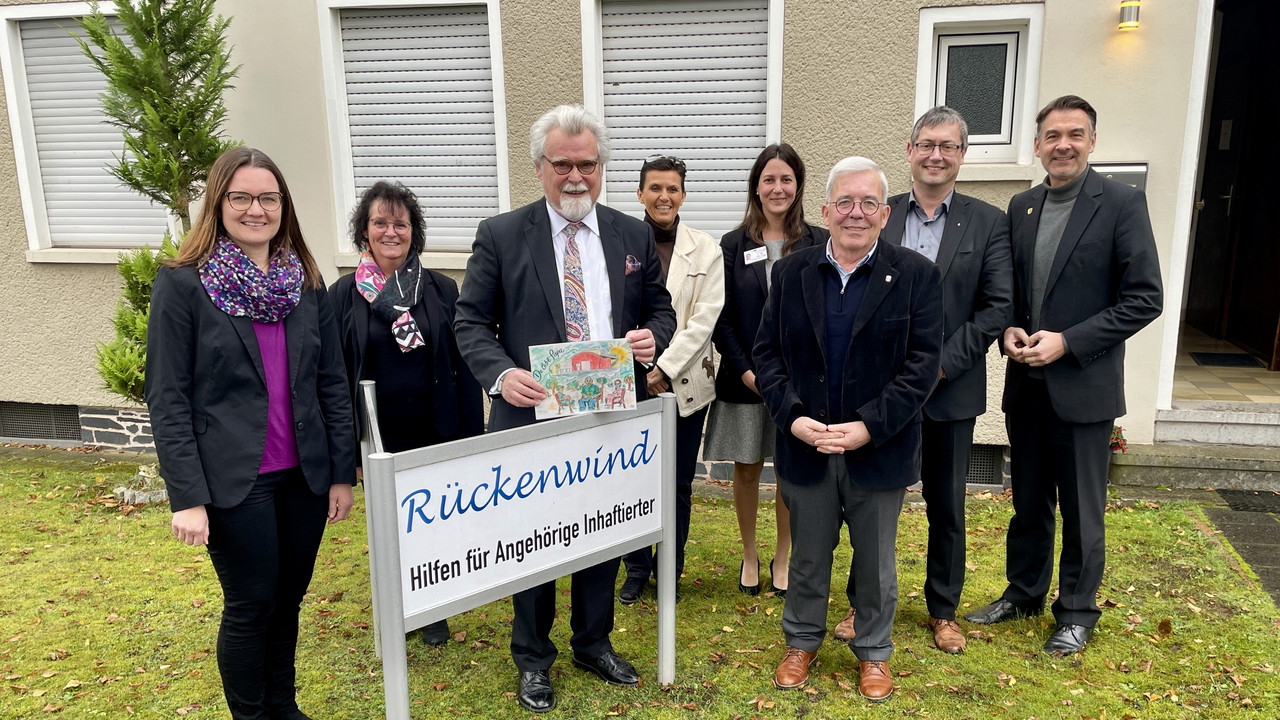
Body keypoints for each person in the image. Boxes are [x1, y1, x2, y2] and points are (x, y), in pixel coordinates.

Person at [453, 104, 676, 714]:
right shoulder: (501, 234)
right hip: (529, 417)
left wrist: (650, 337)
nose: (575, 176)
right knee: (532, 542)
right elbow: (470, 321)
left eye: (587, 164)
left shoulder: (631, 234)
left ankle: (592, 641)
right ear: (540, 168)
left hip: (608, 415)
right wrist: (500, 375)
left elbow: (661, 310)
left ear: (601, 168)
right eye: (562, 165)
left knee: (602, 533)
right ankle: (532, 657)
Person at [145, 147, 356, 720]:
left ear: (283, 205)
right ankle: (251, 714)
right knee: (250, 603)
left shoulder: (305, 282)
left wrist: (342, 474)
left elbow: (331, 382)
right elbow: (167, 399)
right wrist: (186, 496)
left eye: (268, 197)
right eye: (241, 197)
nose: (256, 209)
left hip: (304, 477)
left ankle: (283, 707)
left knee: (287, 601)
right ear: (218, 203)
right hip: (234, 482)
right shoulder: (183, 285)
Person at [964, 95, 1163, 655]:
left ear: (1092, 141)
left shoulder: (1121, 204)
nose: (1063, 145)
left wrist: (1068, 342)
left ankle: (1076, 611)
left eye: (1075, 134)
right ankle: (1024, 591)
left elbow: (1144, 299)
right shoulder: (1022, 206)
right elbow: (1007, 289)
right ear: (1037, 145)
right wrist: (1006, 329)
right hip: (1027, 384)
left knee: (1080, 509)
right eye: (1052, 136)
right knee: (1028, 502)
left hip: (1084, 387)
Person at [754, 156, 942, 702]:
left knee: (876, 560)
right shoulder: (791, 273)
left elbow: (922, 366)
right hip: (806, 445)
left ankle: (874, 652)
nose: (855, 213)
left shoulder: (917, 277)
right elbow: (767, 356)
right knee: (808, 554)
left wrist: (868, 426)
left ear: (885, 214)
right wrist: (793, 418)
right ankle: (802, 642)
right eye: (845, 202)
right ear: (825, 210)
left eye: (867, 204)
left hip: (877, 448)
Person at [832, 107, 1013, 653]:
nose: (937, 155)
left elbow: (995, 307)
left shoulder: (987, 222)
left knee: (945, 503)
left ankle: (943, 608)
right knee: (869, 499)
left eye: (949, 146)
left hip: (949, 391)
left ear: (963, 155)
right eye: (927, 144)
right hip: (878, 393)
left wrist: (936, 365)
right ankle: (862, 602)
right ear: (910, 150)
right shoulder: (880, 213)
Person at [328, 181, 484, 647]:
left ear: (413, 232)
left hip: (435, 425)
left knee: (433, 521)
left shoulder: (440, 289)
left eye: (401, 223)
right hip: (377, 434)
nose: (390, 231)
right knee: (389, 526)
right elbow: (334, 377)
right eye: (380, 222)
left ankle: (431, 605)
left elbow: (461, 366)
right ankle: (396, 606)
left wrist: (468, 437)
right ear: (365, 230)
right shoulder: (342, 295)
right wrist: (347, 450)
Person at [704, 143, 829, 598]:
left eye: (786, 179)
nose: (778, 188)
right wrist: (745, 371)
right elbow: (723, 318)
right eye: (769, 179)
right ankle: (750, 554)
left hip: (801, 384)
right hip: (747, 381)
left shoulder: (818, 241)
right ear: (756, 187)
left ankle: (783, 556)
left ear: (798, 187)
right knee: (748, 468)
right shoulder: (733, 245)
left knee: (790, 471)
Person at [618, 154, 726, 604]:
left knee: (677, 483)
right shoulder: (617, 241)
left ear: (684, 194)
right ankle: (636, 567)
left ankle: (670, 569)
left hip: (683, 384)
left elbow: (705, 318)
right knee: (629, 482)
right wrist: (641, 372)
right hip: (630, 384)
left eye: (673, 189)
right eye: (655, 188)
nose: (664, 197)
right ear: (639, 193)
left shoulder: (705, 248)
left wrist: (663, 368)